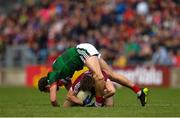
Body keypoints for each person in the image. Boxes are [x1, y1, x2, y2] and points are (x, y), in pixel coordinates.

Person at [38, 43, 148, 107]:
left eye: (47, 90)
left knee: (99, 76)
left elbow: (53, 100)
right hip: (84, 51)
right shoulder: (62, 77)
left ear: (47, 85)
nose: (52, 90)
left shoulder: (52, 76)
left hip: (82, 51)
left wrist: (58, 108)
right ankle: (139, 91)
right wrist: (79, 101)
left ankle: (98, 104)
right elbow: (72, 91)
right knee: (111, 74)